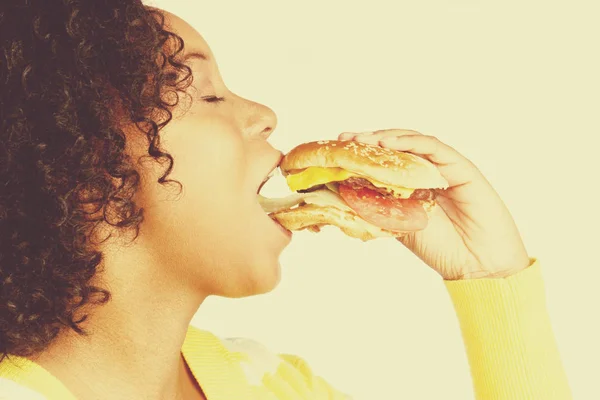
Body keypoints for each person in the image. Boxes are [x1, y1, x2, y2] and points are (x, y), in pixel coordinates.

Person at [0, 2, 571, 399]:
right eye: (204, 92)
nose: (264, 115)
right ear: (79, 158)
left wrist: (489, 278)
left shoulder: (269, 384)